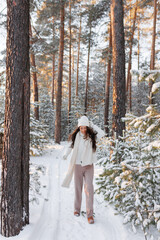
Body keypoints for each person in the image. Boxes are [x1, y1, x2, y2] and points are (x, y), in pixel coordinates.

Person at [61, 115, 105, 224]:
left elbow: (103, 134)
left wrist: (92, 125)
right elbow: (70, 146)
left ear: (88, 127)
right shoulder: (76, 137)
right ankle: (77, 209)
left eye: (85, 127)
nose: (83, 130)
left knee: (89, 189)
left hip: (89, 166)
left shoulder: (92, 136)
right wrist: (66, 155)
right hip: (77, 165)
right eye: (81, 128)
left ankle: (90, 214)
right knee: (78, 188)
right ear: (79, 128)